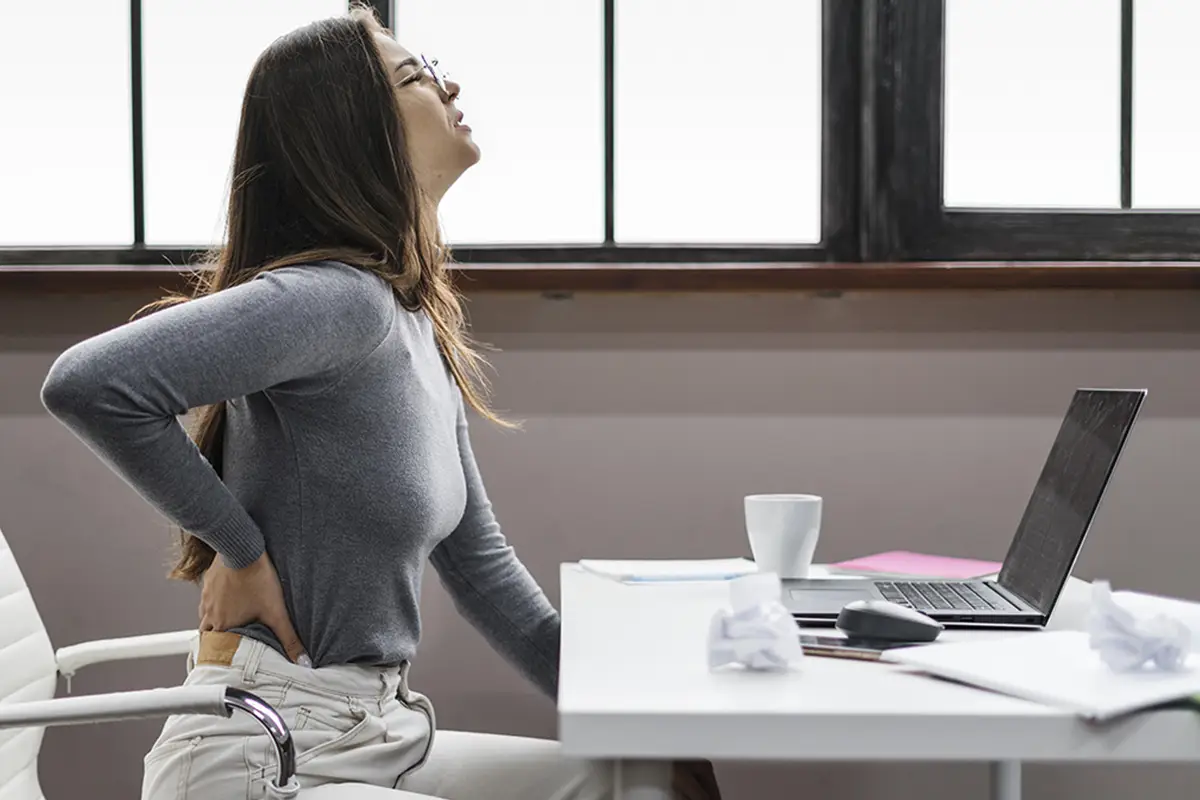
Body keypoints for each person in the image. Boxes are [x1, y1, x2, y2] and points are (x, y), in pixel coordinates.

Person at [39, 5, 721, 800]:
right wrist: (240, 548)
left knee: (656, 780)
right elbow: (89, 384)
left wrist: (635, 718)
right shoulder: (338, 301)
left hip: (378, 728)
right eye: (415, 76)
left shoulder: (408, 321)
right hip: (263, 751)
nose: (449, 83)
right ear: (356, 134)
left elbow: (482, 566)